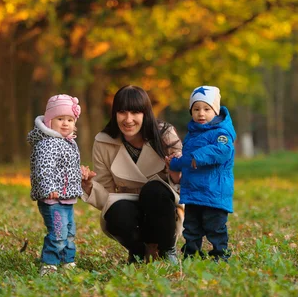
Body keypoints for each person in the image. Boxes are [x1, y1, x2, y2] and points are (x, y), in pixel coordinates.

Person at [80, 85, 183, 264]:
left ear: (145, 113)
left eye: (135, 112)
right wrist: (89, 186)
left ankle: (167, 250)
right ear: (115, 114)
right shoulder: (104, 142)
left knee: (153, 190)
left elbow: (186, 186)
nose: (128, 119)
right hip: (129, 208)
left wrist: (175, 174)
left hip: (163, 208)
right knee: (116, 212)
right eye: (122, 112)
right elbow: (107, 195)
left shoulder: (164, 135)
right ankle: (137, 252)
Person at [168, 86, 236, 261]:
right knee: (191, 227)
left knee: (215, 227)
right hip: (193, 192)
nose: (201, 114)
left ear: (216, 110)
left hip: (214, 192)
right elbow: (187, 159)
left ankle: (220, 255)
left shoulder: (221, 133)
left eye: (207, 109)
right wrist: (175, 162)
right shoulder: (192, 134)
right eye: (196, 109)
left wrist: (197, 156)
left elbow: (223, 151)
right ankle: (192, 254)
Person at [28, 94, 83, 276]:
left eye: (70, 119)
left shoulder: (68, 142)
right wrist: (49, 187)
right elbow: (43, 168)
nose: (66, 123)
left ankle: (67, 261)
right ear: (50, 121)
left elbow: (66, 168)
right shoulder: (47, 143)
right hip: (52, 198)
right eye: (60, 119)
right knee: (58, 232)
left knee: (69, 231)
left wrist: (80, 173)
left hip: (66, 198)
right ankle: (49, 264)